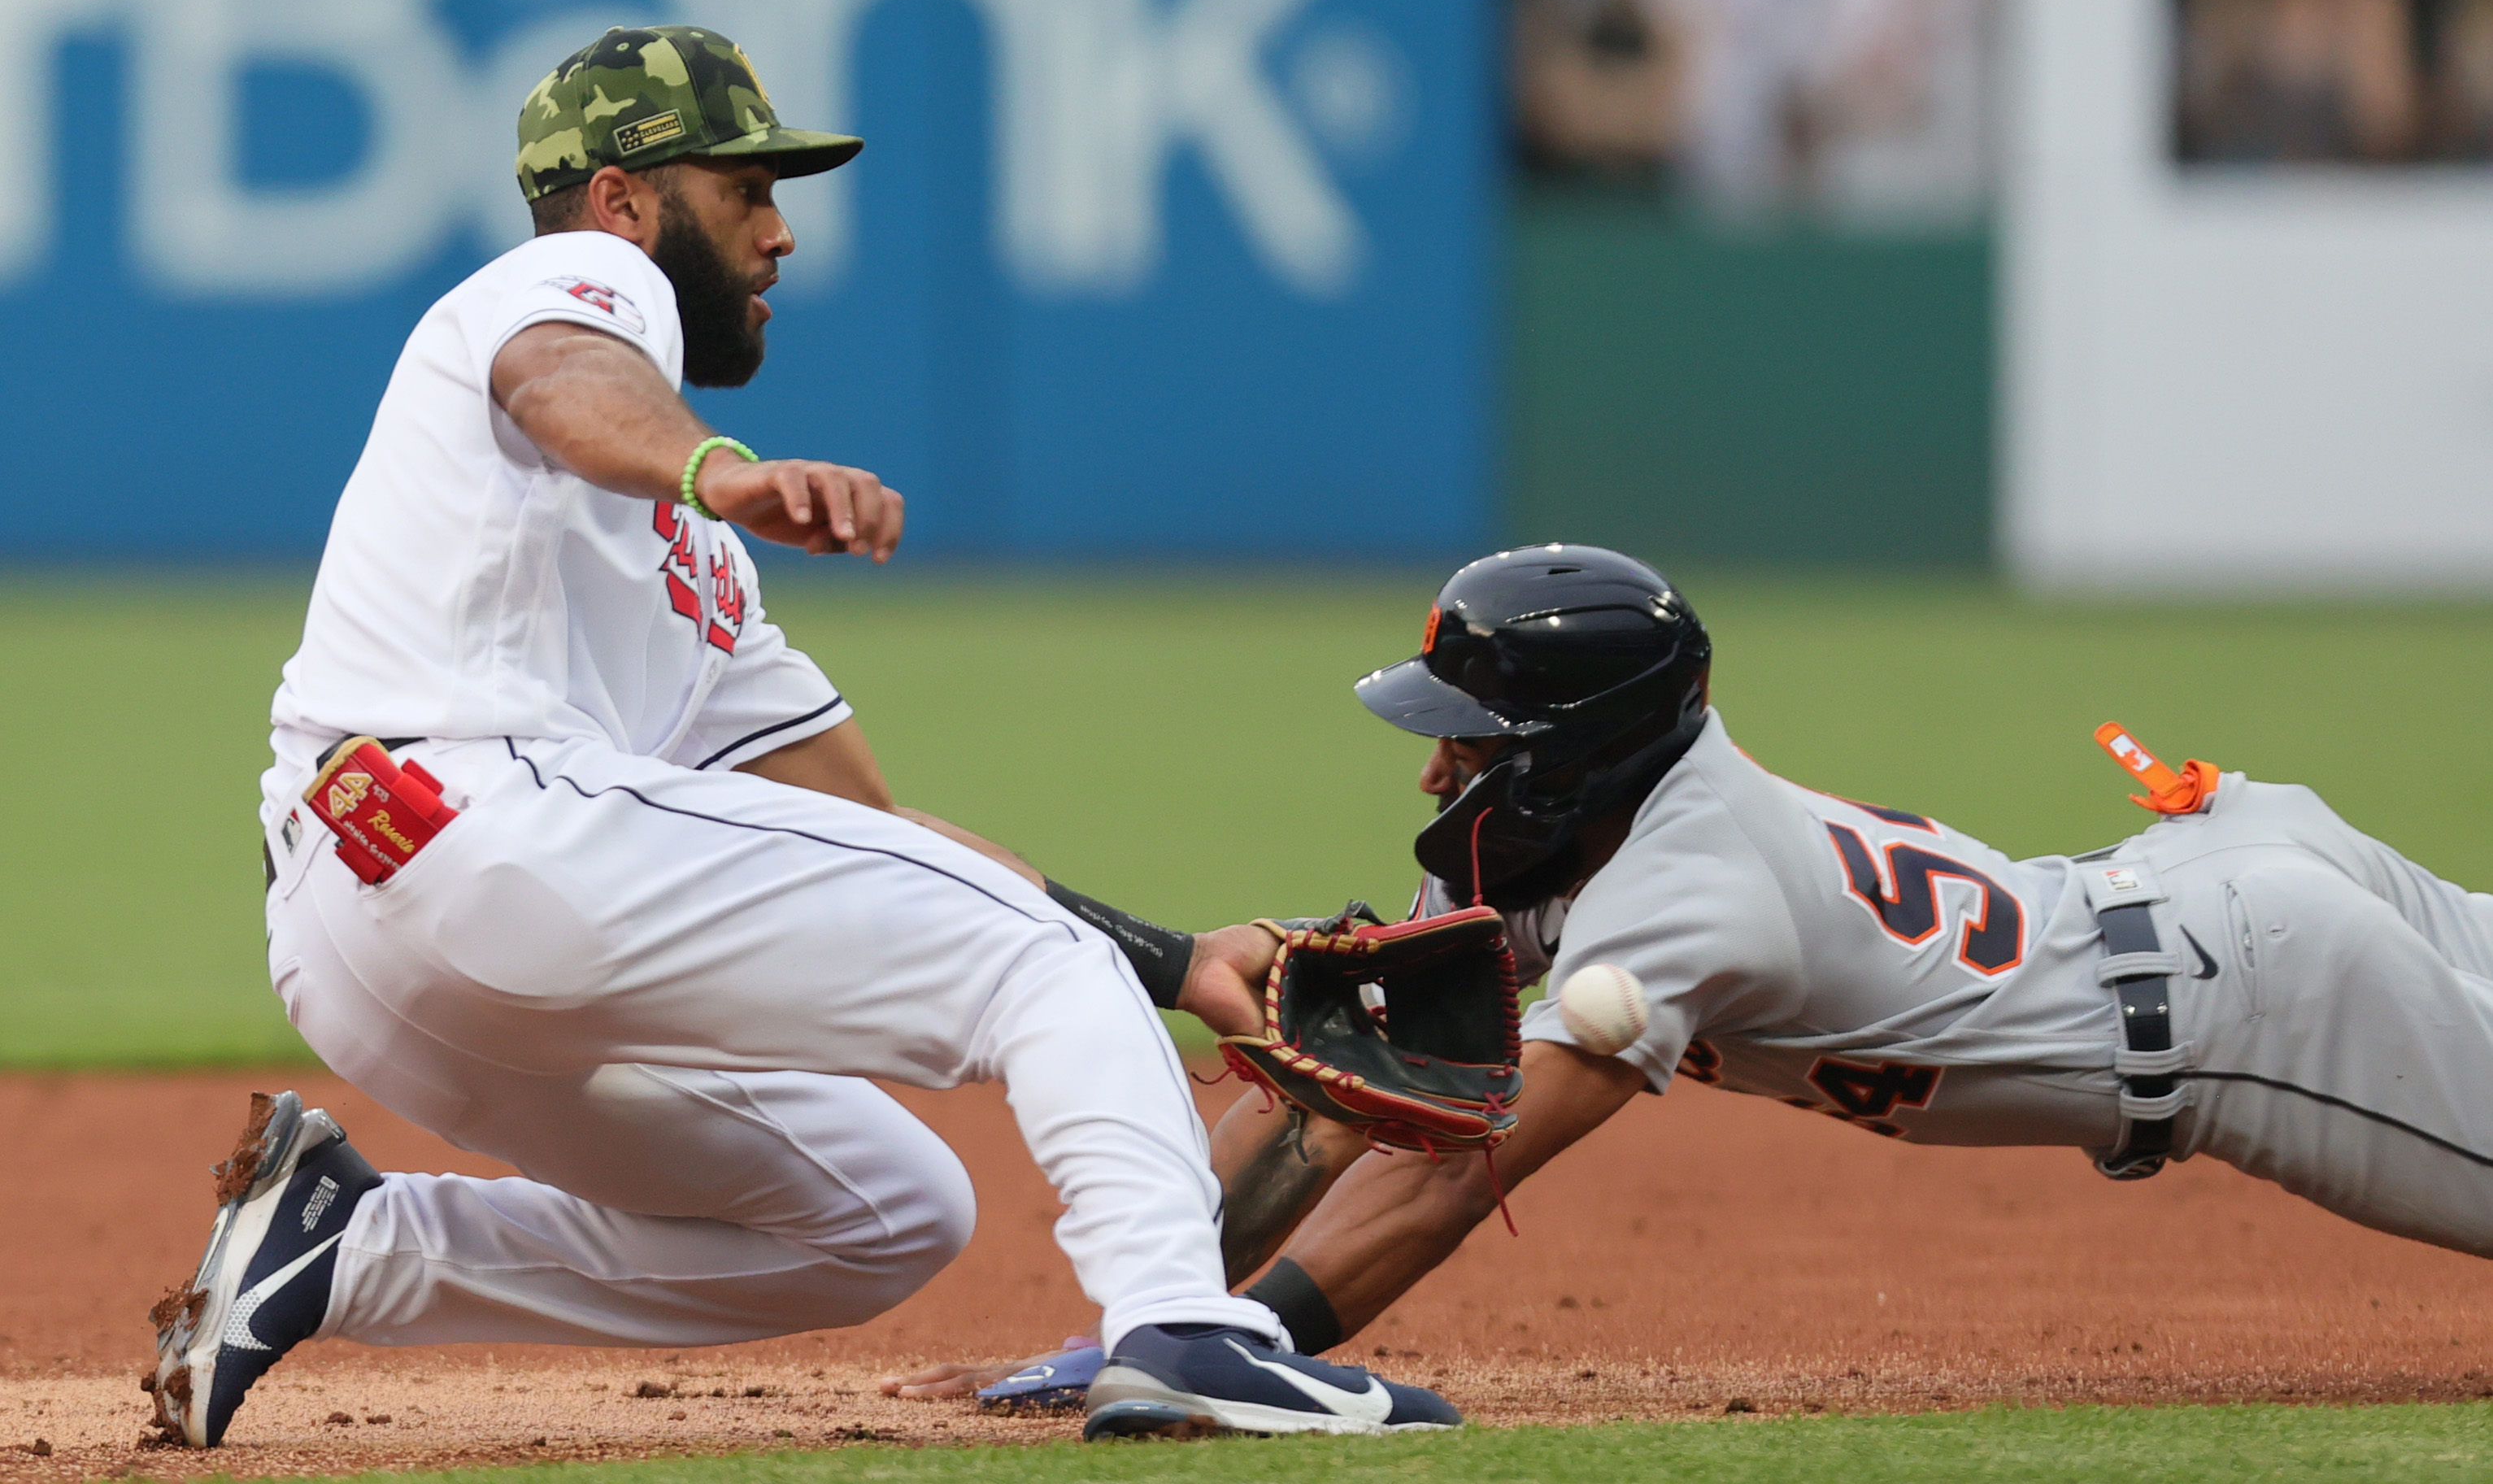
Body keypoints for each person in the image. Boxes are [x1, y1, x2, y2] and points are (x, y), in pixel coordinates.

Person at [147, 24, 1457, 1449]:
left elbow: (869, 834)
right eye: (743, 190)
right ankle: (1191, 1333)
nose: (777, 234)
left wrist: (1177, 960)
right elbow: (558, 379)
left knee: (886, 1212)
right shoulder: (566, 286)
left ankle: (358, 1245)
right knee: (1040, 967)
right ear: (626, 200)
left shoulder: (701, 577)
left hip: (376, 935)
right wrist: (722, 469)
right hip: (476, 827)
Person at [890, 541, 2493, 1398]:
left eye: (1468, 746)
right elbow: (1355, 1077)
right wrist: (1156, 1312)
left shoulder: (1686, 887)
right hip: (2211, 875)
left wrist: (1252, 1349)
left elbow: (1456, 1167)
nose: (1437, 779)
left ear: (1574, 754)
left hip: (2266, 1010)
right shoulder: (1599, 837)